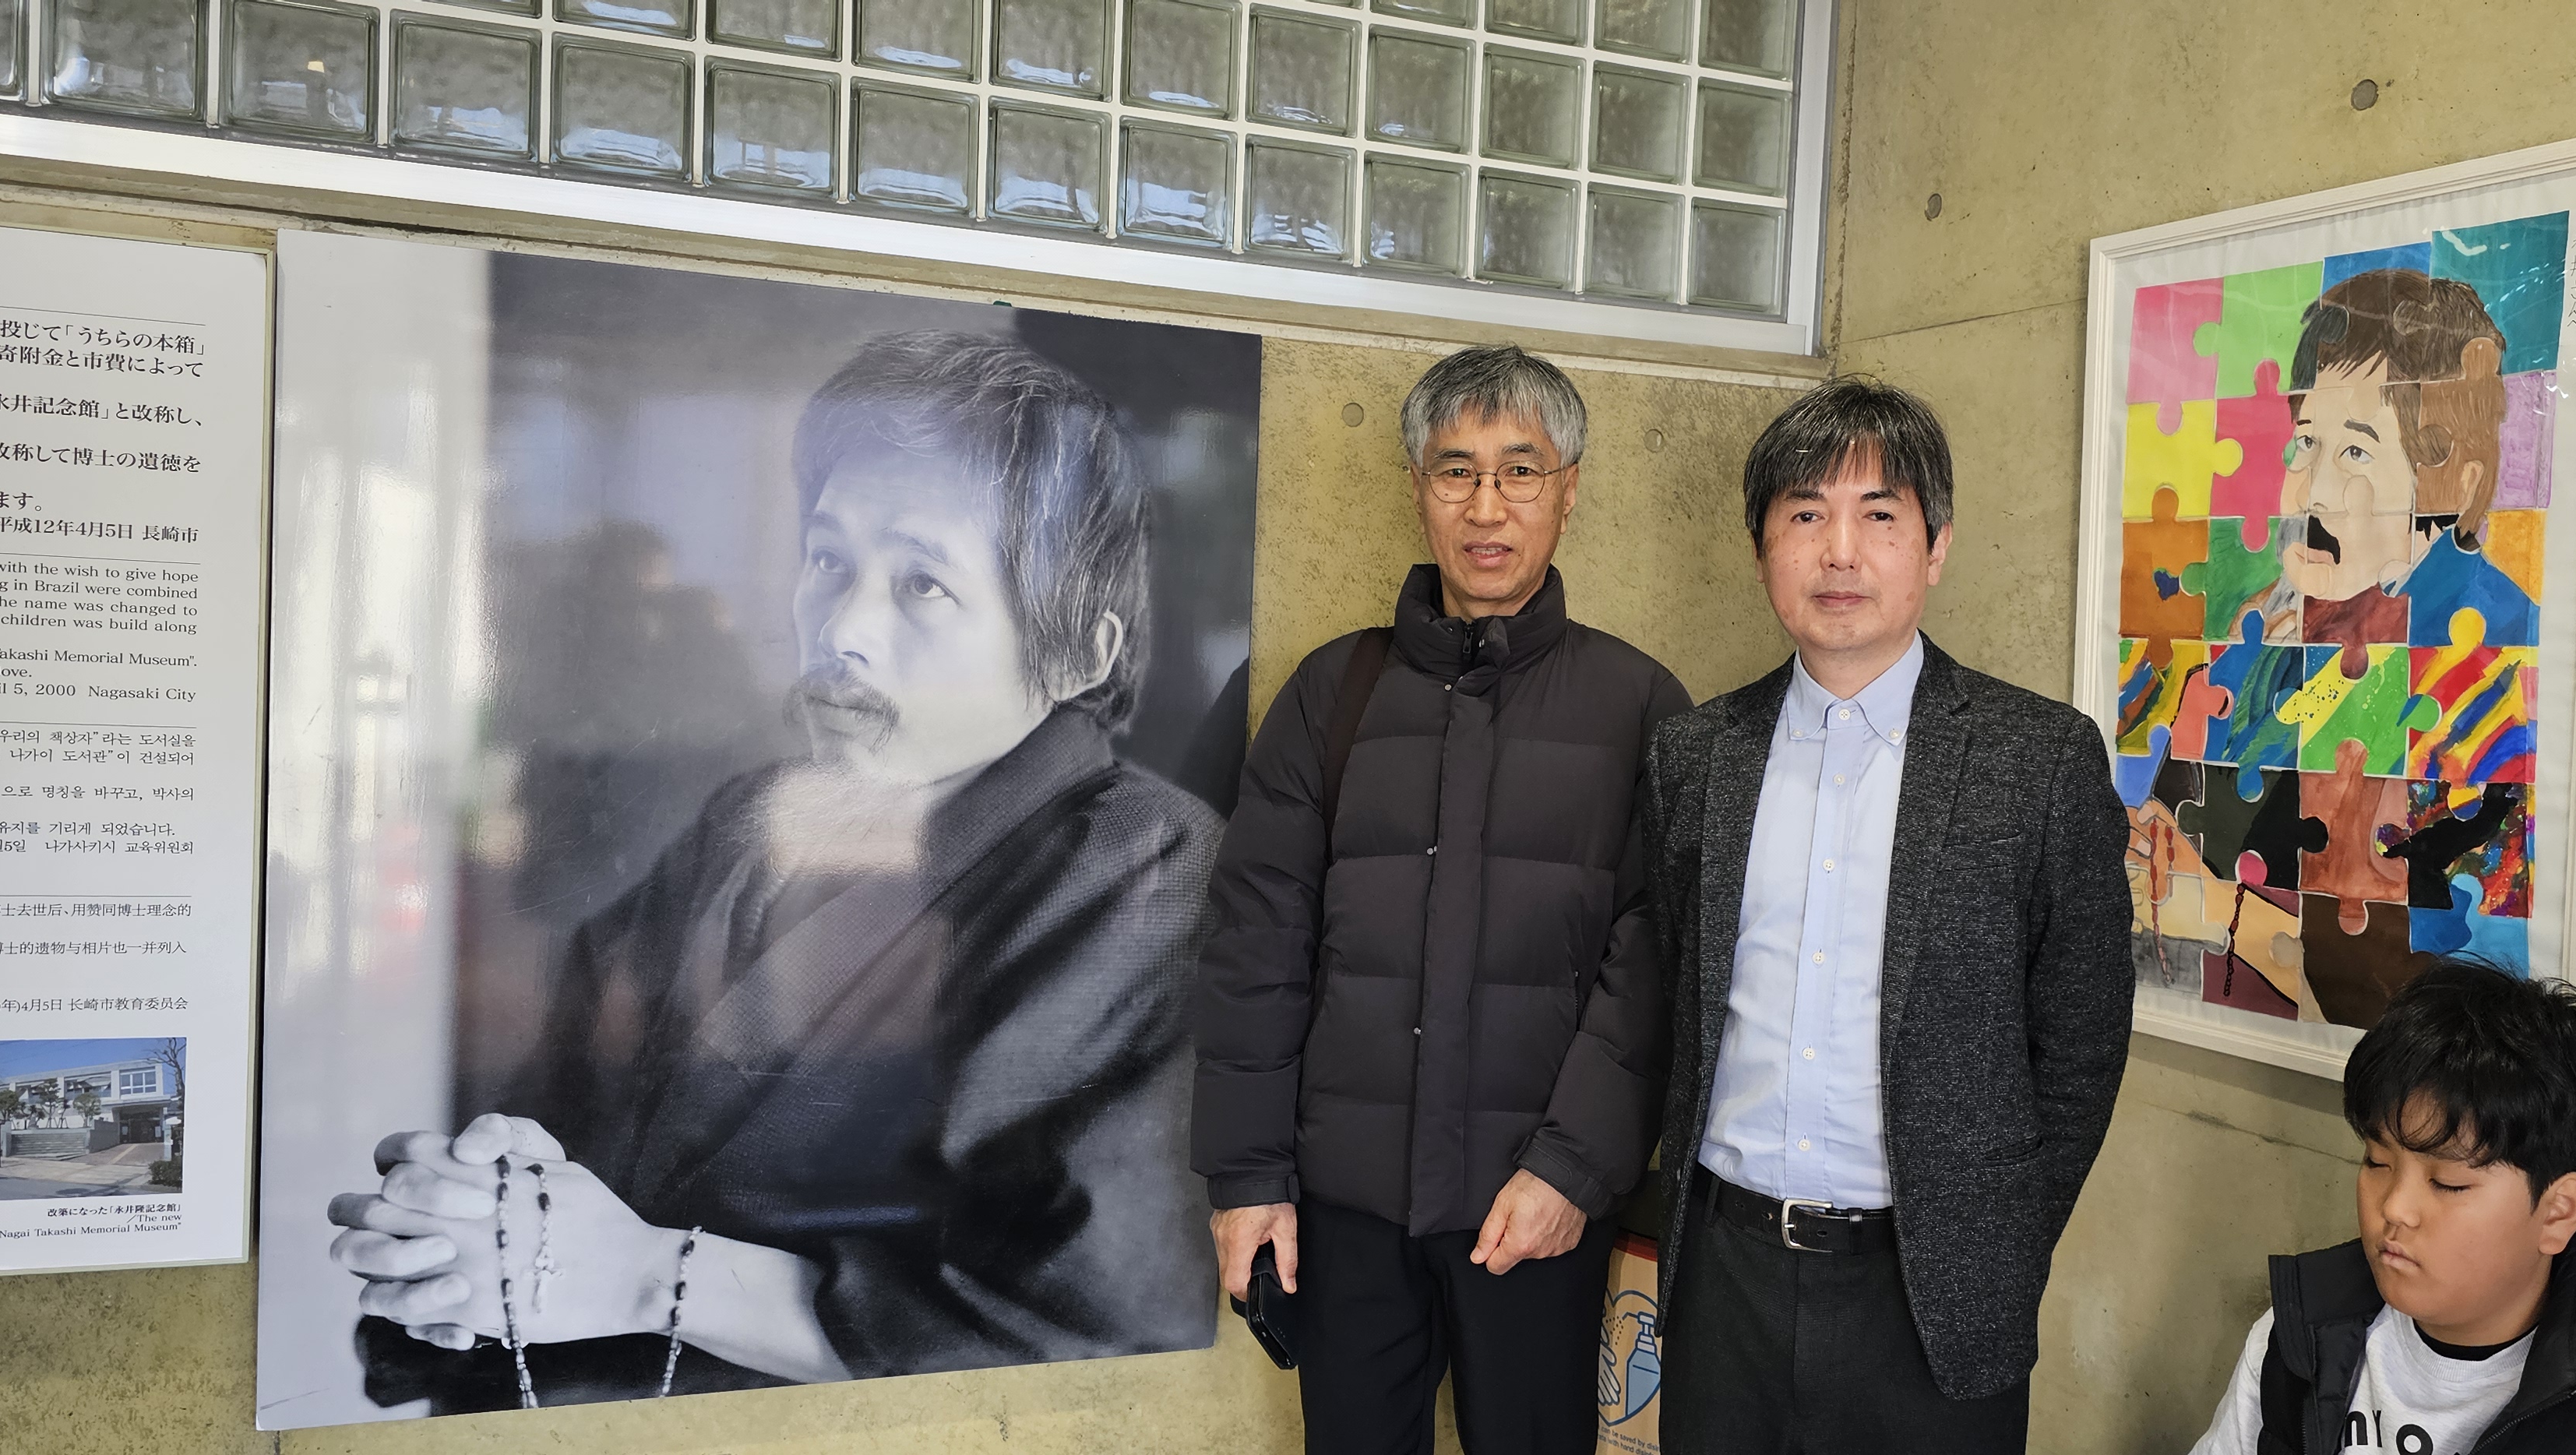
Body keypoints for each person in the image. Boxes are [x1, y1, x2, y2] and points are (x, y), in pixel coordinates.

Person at [322, 331, 1220, 1410]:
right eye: (829, 561)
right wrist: (484, 1210)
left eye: (923, 584)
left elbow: (1092, 1330)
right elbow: (568, 1104)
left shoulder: (1149, 874)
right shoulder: (751, 824)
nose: (842, 628)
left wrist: (642, 1274)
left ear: (1079, 650)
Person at [1189, 344, 1691, 1455]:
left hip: (1537, 1211)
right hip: (1347, 1211)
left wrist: (1572, 1169)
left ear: (1569, 488)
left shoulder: (1641, 706)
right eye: (1457, 470)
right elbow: (1255, 944)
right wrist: (1248, 1175)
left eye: (1520, 470)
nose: (1487, 505)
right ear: (1418, 486)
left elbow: (1657, 972)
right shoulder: (1332, 690)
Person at [1645, 378, 2134, 1453]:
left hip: (1932, 1294)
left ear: (1935, 546)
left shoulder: (2038, 760)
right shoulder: (1695, 756)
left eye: (1879, 516)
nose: (1840, 552)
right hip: (1725, 1277)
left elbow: (2084, 1038)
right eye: (1805, 514)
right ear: (1762, 548)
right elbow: (1670, 997)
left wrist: (1997, 1239)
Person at [2187, 961, 2576, 1454]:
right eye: (2376, 1161)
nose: (2395, 1208)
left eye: (2448, 1183)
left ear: (2558, 1211)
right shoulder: (2299, 1334)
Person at [2241, 270, 2535, 656]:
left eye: (2356, 452)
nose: (2313, 493)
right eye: (2307, 441)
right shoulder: (2274, 616)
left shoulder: (2499, 641)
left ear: (2456, 489)